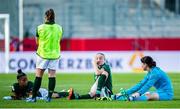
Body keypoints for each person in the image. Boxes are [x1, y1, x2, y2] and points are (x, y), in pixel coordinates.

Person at [27, 8, 63, 102]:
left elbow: (37, 42)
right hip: (55, 54)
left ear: (45, 17)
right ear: (54, 17)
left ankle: (33, 97)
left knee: (39, 76)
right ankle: (49, 97)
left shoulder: (40, 27)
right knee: (52, 76)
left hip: (43, 54)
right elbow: (58, 40)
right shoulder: (59, 28)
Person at [3, 69, 69, 100]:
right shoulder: (15, 86)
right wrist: (18, 97)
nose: (26, 81)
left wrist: (20, 97)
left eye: (26, 79)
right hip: (38, 94)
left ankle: (68, 93)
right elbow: (14, 96)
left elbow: (30, 96)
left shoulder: (30, 84)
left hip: (41, 92)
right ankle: (64, 92)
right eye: (24, 80)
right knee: (54, 95)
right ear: (18, 81)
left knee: (55, 95)